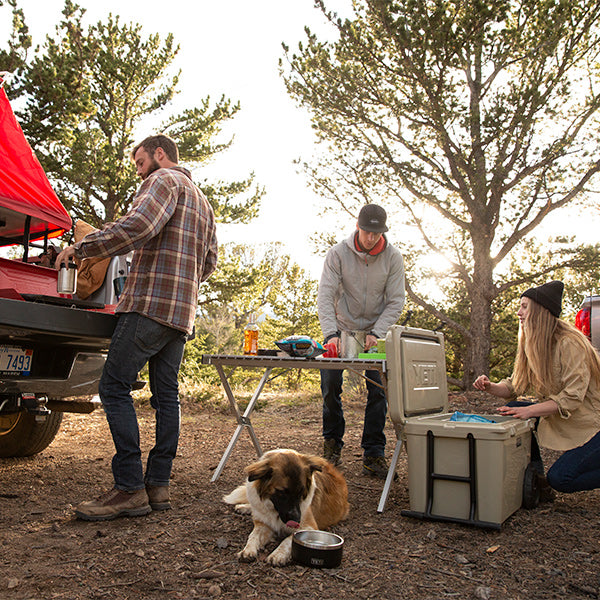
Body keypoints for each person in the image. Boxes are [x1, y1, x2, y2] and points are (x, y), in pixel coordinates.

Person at [55, 134, 218, 520]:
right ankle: (157, 485)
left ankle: (129, 488)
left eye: (141, 162)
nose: (140, 172)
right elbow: (209, 262)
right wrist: (182, 285)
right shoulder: (204, 201)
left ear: (160, 154)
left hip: (147, 306)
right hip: (180, 315)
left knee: (113, 386)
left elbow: (139, 225)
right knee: (166, 397)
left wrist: (82, 247)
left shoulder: (163, 181)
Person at [473, 280, 600, 496]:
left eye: (524, 306)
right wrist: (489, 386)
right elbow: (514, 386)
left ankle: (548, 481)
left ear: (541, 311)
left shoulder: (569, 343)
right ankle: (537, 483)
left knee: (562, 479)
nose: (519, 312)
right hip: (570, 418)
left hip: (592, 425)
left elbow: (572, 398)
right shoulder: (532, 344)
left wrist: (530, 411)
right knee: (514, 409)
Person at [317, 204, 405, 478]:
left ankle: (373, 453)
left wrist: (377, 333)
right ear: (358, 226)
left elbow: (395, 301)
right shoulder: (338, 254)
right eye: (367, 232)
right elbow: (326, 295)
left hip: (376, 332)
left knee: (378, 391)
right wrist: (331, 334)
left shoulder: (393, 258)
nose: (371, 238)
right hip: (342, 328)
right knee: (331, 385)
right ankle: (332, 445)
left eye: (377, 233)